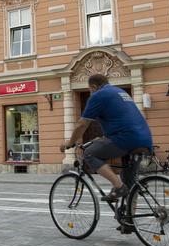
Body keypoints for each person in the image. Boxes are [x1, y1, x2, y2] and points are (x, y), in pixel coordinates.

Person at [60, 74, 153, 206]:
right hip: (144, 139)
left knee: (89, 153)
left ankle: (118, 186)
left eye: (90, 89)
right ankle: (130, 223)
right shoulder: (120, 92)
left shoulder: (98, 95)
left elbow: (82, 124)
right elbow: (123, 119)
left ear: (93, 86)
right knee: (130, 182)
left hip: (126, 139)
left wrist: (69, 143)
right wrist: (104, 138)